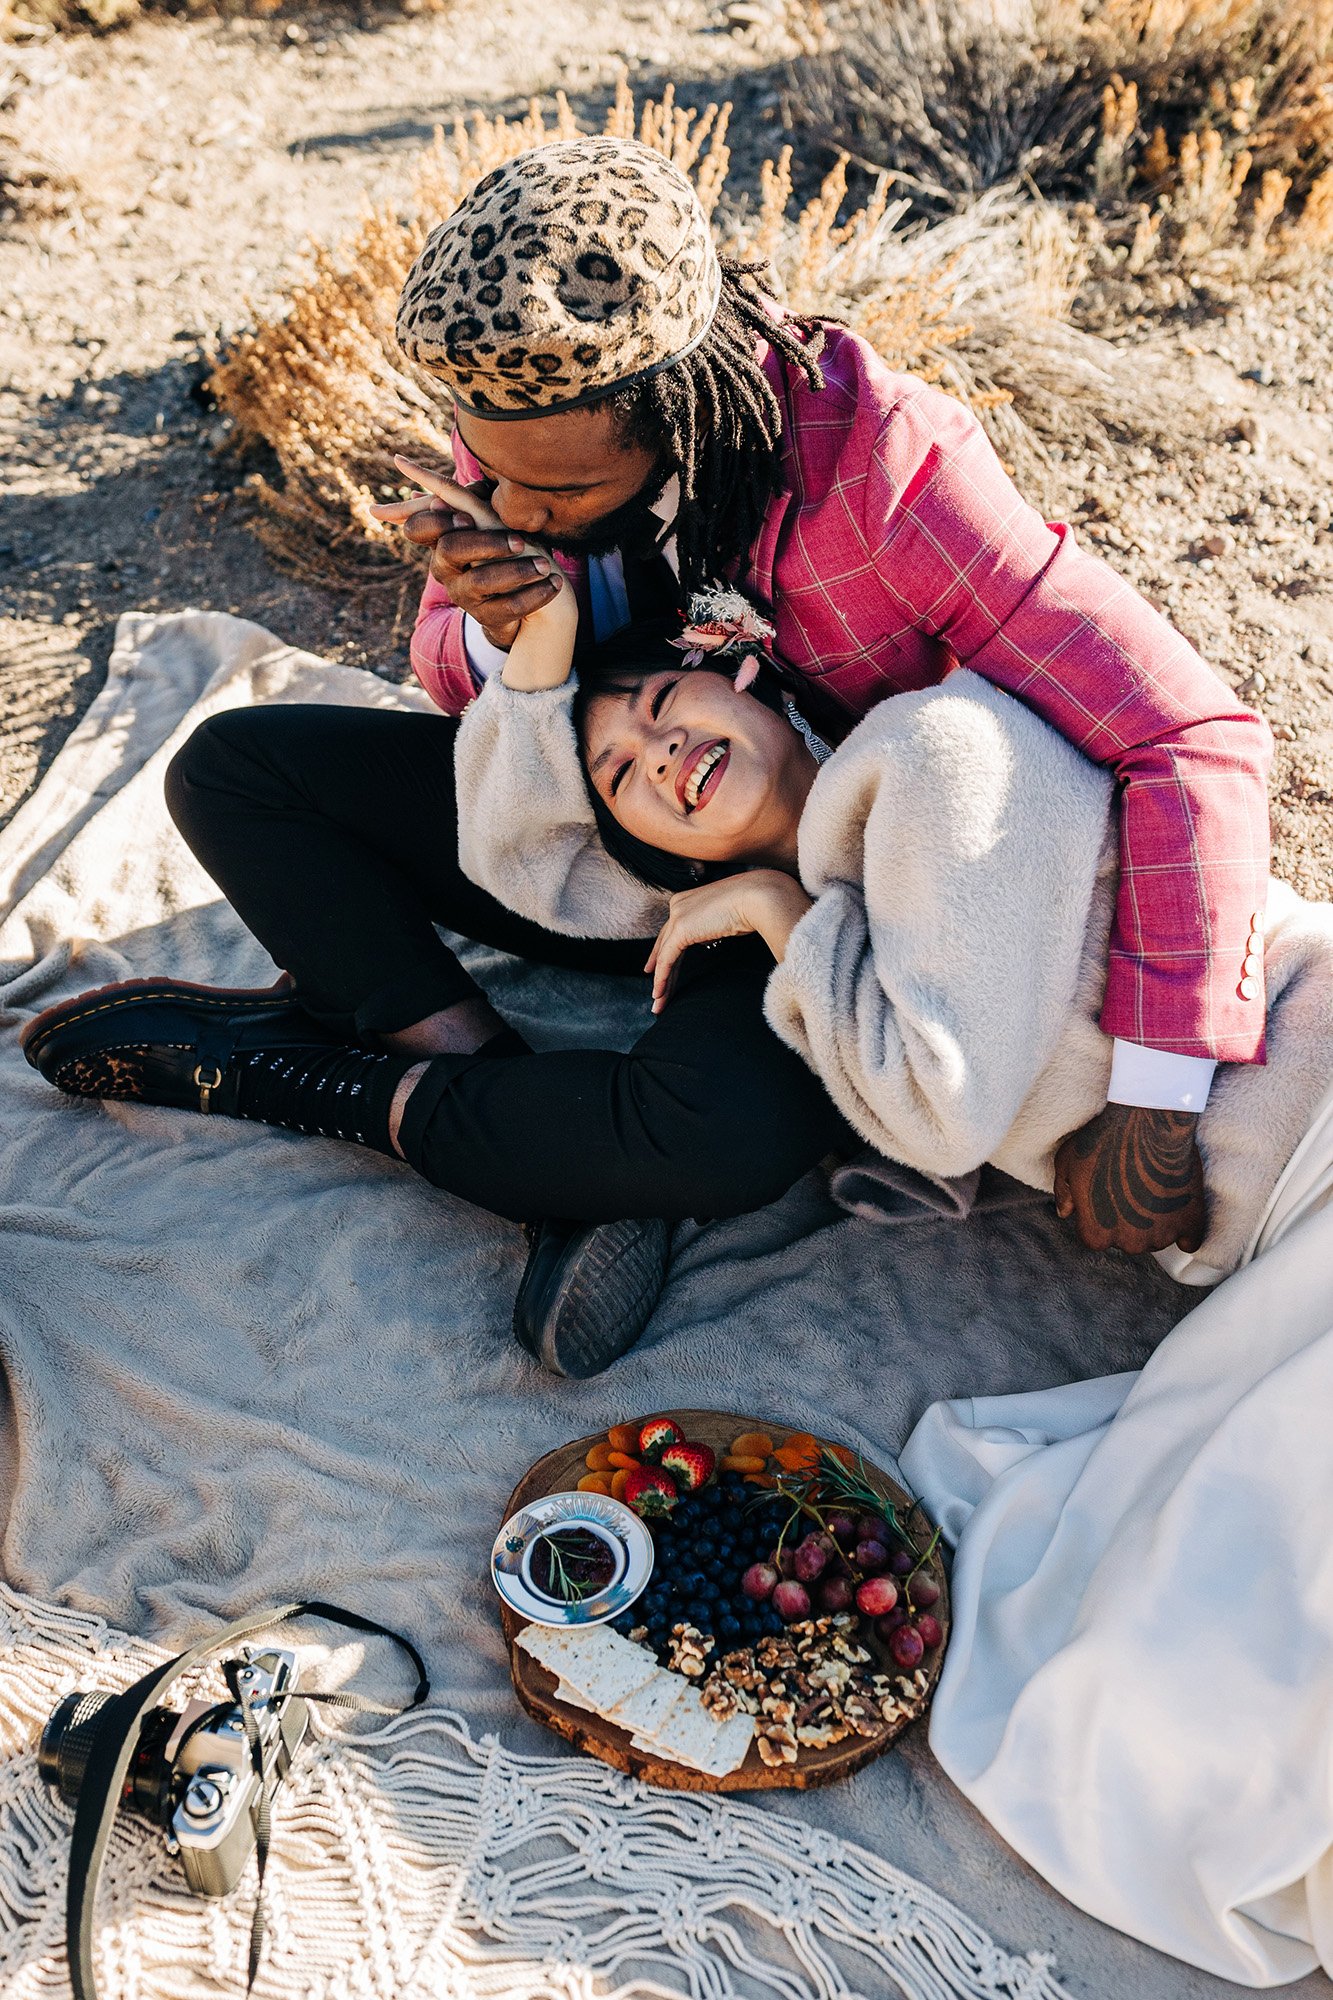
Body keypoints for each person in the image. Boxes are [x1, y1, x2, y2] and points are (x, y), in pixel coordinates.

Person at [20, 135, 1275, 1374]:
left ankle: (318, 1081)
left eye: (553, 496)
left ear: (670, 406)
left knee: (716, 1133)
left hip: (829, 909)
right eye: (489, 475)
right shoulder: (529, 421)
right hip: (605, 835)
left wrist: (1160, 1088)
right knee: (236, 770)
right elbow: (465, 683)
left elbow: (1185, 734)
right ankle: (494, 1093)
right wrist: (506, 632)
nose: (512, 510)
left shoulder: (893, 474)